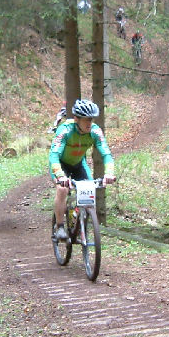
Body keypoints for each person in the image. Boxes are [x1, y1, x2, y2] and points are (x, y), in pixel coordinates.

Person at [49, 99, 116, 240]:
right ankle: (60, 226)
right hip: (61, 164)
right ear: (76, 119)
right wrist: (60, 176)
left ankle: (78, 221)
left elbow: (106, 154)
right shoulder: (65, 130)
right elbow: (54, 156)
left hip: (79, 164)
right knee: (62, 189)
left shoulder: (95, 131)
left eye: (91, 119)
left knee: (89, 191)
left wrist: (109, 173)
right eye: (86, 120)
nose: (89, 123)